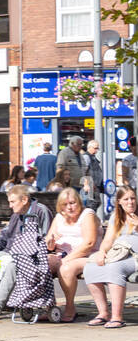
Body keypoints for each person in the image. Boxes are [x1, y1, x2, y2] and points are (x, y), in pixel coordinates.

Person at [0, 184, 52, 319]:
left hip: (31, 256)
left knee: (14, 265)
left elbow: (46, 239)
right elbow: (4, 236)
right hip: (10, 253)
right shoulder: (16, 215)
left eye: (13, 202)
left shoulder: (41, 211)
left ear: (24, 200)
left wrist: (27, 253)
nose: (10, 206)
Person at [83, 186, 138, 328]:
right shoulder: (116, 217)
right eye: (126, 199)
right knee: (90, 267)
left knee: (115, 268)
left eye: (133, 198)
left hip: (135, 256)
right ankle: (103, 313)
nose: (130, 202)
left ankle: (117, 316)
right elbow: (108, 240)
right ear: (119, 201)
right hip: (119, 253)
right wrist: (102, 252)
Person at [44, 187, 99, 323]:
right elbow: (48, 244)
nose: (69, 207)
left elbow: (89, 244)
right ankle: (49, 308)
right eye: (65, 204)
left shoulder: (87, 215)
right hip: (61, 254)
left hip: (87, 256)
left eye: (72, 203)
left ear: (79, 202)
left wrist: (65, 260)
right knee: (41, 264)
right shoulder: (59, 217)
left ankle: (70, 308)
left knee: (66, 269)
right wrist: (50, 242)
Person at [82, 140, 104, 211]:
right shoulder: (86, 157)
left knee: (96, 203)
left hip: (95, 186)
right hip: (90, 186)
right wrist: (86, 184)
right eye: (95, 148)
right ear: (89, 147)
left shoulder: (92, 157)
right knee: (91, 205)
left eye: (97, 148)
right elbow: (83, 171)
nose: (97, 150)